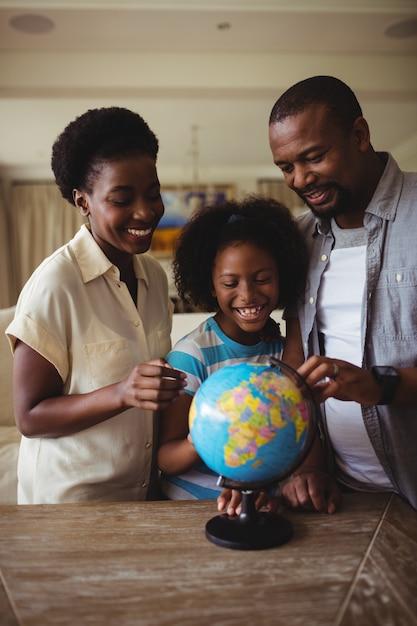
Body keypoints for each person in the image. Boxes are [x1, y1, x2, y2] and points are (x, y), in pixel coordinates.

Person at [6, 106, 186, 504]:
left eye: (153, 194)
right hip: (71, 505)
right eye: (122, 199)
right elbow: (30, 416)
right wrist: (121, 392)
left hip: (143, 496)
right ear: (83, 202)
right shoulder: (56, 285)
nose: (145, 211)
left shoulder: (154, 278)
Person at [268, 75, 417, 512]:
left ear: (359, 135)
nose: (299, 179)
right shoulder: (299, 237)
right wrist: (308, 463)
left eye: (313, 157)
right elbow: (297, 360)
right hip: (346, 496)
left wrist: (378, 387)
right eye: (285, 166)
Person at [157, 196, 309, 515]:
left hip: (263, 508)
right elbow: (166, 458)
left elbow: (301, 433)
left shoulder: (286, 353)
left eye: (263, 279)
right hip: (192, 509)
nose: (248, 294)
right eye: (230, 283)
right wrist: (209, 435)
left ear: (282, 277)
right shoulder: (191, 355)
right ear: (211, 286)